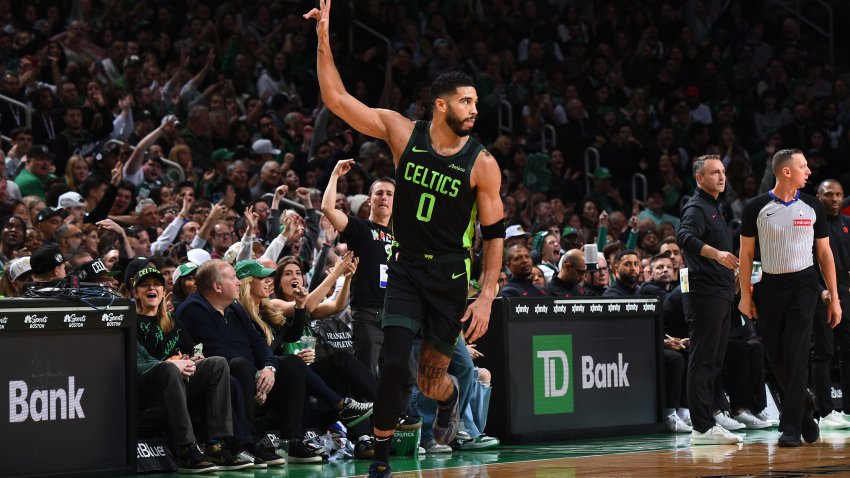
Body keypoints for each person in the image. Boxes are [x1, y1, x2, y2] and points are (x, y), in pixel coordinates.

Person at [306, 3, 505, 476]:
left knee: (430, 378)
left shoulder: (482, 163)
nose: (475, 109)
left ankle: (453, 396)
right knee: (393, 363)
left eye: (477, 103)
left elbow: (494, 233)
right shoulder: (403, 132)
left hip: (451, 274)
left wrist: (489, 294)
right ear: (441, 104)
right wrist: (324, 38)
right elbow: (336, 99)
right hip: (408, 267)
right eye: (466, 101)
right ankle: (380, 458)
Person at [739, 149, 842, 448]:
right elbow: (746, 254)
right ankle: (806, 411)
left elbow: (824, 254)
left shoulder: (812, 206)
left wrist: (834, 298)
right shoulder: (756, 207)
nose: (809, 171)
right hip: (770, 286)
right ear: (786, 171)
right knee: (777, 357)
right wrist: (746, 296)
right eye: (803, 166)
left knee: (797, 353)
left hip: (804, 286)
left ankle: (790, 426)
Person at [176, 260, 321, 464]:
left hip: (255, 376)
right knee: (238, 364)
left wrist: (269, 368)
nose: (238, 282)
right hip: (221, 380)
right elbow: (219, 353)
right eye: (233, 278)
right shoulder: (192, 309)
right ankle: (248, 442)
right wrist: (257, 375)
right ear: (217, 287)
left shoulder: (234, 308)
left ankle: (292, 441)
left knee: (293, 364)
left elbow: (259, 344)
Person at [131, 267, 251, 472]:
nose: (151, 288)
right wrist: (171, 363)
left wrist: (194, 357)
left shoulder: (171, 320)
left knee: (217, 363)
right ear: (136, 293)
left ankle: (216, 444)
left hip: (178, 380)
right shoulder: (131, 322)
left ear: (162, 291)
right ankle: (187, 449)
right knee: (169, 370)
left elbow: (195, 346)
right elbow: (135, 364)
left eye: (156, 284)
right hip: (147, 386)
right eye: (145, 285)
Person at [676, 154, 743, 445]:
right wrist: (716, 254)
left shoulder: (717, 207)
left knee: (714, 360)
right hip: (703, 293)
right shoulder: (696, 207)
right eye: (714, 172)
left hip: (721, 290)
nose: (721, 177)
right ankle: (701, 427)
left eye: (723, 172)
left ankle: (709, 419)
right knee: (703, 359)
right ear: (699, 179)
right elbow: (684, 236)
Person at [321, 167, 396, 378]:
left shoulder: (402, 237)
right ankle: (367, 412)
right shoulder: (360, 228)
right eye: (379, 193)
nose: (384, 197)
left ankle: (398, 413)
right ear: (369, 200)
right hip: (368, 314)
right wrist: (335, 174)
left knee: (404, 376)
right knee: (367, 376)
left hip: (397, 315)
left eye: (390, 194)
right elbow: (327, 208)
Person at [811, 179, 850, 429]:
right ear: (818, 197)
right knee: (823, 353)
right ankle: (825, 412)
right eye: (828, 195)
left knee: (848, 354)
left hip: (845, 297)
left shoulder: (848, 224)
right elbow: (807, 264)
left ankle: (848, 409)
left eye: (838, 195)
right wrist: (821, 291)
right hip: (820, 297)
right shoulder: (811, 226)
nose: (834, 199)